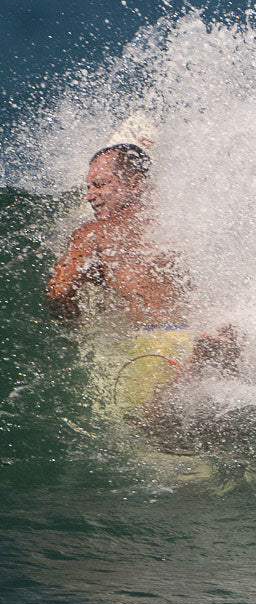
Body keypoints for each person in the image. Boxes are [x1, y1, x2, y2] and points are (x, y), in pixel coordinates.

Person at [45, 135, 237, 423]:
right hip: (194, 329)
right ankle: (203, 358)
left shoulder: (95, 232)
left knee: (136, 429)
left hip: (156, 348)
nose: (89, 196)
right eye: (88, 187)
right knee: (213, 437)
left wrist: (78, 329)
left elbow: (59, 294)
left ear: (135, 184)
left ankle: (179, 384)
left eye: (99, 185)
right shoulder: (182, 219)